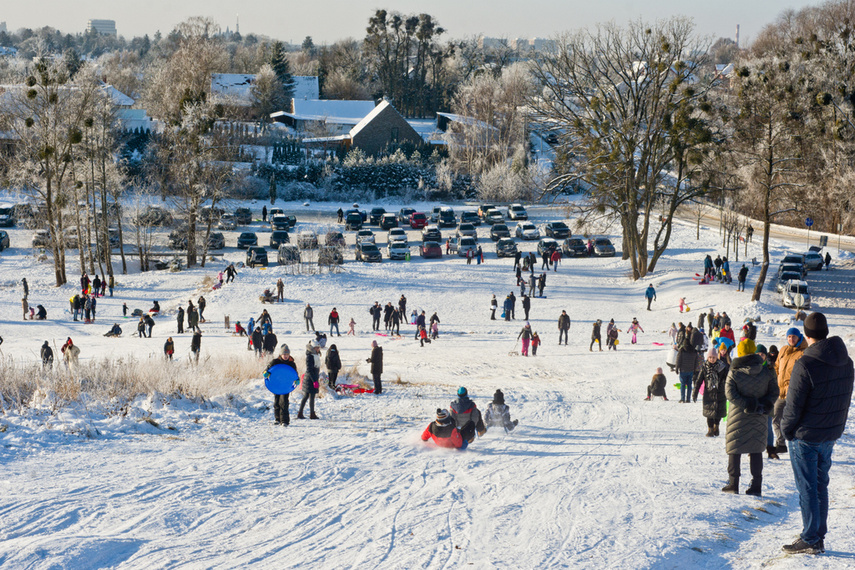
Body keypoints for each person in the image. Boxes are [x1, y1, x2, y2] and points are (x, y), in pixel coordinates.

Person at [780, 312, 854, 554]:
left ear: (807, 334)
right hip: (829, 433)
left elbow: (793, 405)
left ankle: (811, 537)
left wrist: (786, 430)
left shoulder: (806, 363)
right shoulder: (846, 361)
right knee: (820, 485)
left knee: (808, 487)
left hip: (806, 436)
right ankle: (817, 535)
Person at [722, 339, 779, 496]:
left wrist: (747, 404)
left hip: (738, 416)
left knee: (734, 448)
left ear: (739, 353)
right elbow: (774, 392)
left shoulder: (734, 372)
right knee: (756, 450)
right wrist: (763, 404)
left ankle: (733, 484)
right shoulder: (765, 372)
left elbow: (730, 394)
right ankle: (756, 485)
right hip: (759, 415)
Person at [772, 328, 807, 455]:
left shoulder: (804, 353)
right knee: (776, 418)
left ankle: (797, 446)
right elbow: (777, 367)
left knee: (794, 421)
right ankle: (781, 443)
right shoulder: (783, 350)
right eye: (789, 337)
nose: (791, 339)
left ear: (799, 338)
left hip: (794, 393)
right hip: (780, 393)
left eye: (794, 337)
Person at [693, 348, 729, 435]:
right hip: (708, 393)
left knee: (718, 413)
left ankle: (716, 426)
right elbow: (699, 381)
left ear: (717, 357)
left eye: (713, 357)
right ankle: (710, 429)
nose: (712, 359)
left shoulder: (722, 367)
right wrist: (695, 392)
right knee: (709, 413)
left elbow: (728, 379)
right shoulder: (705, 367)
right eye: (710, 357)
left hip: (720, 393)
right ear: (708, 358)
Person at [265, 345, 296, 425]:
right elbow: (267, 370)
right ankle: (277, 419)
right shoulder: (275, 362)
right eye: (284, 354)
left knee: (284, 402)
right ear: (281, 355)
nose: (285, 356)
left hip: (286, 386)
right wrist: (266, 373)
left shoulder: (291, 364)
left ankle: (285, 421)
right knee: (277, 402)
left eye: (287, 354)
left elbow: (295, 374)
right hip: (276, 385)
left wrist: (297, 380)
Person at [296, 340, 321, 420]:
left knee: (306, 396)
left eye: (318, 348)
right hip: (310, 379)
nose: (318, 349)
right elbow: (310, 369)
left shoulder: (315, 355)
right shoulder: (310, 356)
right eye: (317, 348)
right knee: (311, 396)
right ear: (313, 348)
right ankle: (312, 414)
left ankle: (300, 413)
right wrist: (314, 381)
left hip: (312, 378)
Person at [675, 323, 698, 402]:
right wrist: (695, 369)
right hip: (691, 370)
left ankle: (682, 398)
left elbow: (678, 359)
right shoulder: (694, 351)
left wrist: (677, 368)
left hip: (683, 370)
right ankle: (688, 399)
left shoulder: (682, 350)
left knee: (682, 384)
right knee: (689, 385)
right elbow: (696, 361)